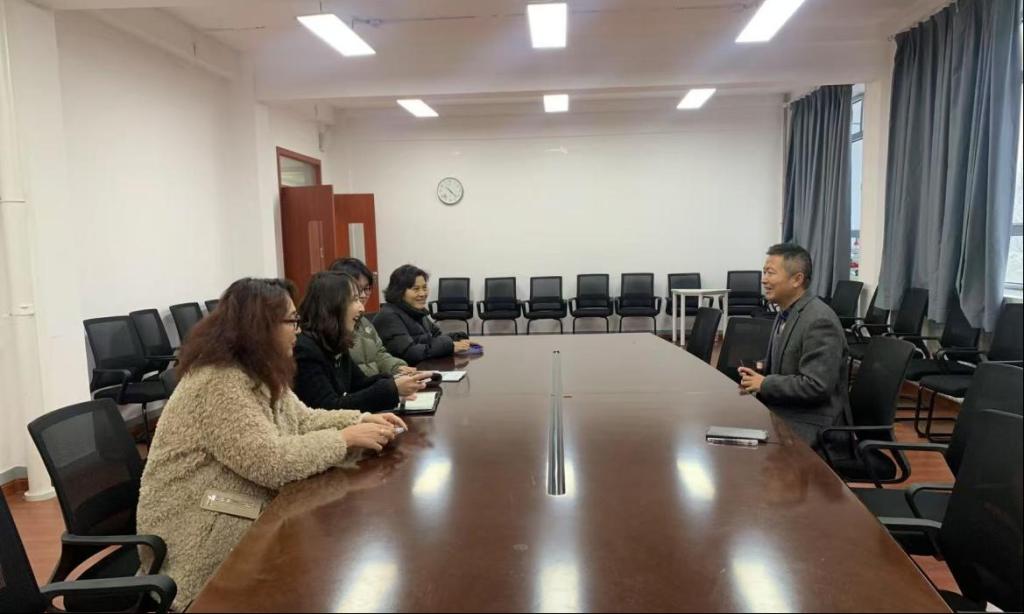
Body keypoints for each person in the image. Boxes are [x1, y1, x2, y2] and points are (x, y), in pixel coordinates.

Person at [136, 278, 406, 610]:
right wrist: (343, 439)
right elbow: (270, 463)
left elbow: (303, 419)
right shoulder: (219, 380)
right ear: (259, 326)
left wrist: (359, 420)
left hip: (234, 504)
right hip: (199, 531)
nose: (298, 329)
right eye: (292, 320)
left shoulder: (259, 369)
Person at [737, 243, 850, 446]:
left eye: (771, 273)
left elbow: (817, 386)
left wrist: (764, 383)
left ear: (797, 279)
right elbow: (786, 360)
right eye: (764, 272)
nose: (764, 279)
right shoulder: (786, 311)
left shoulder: (819, 321)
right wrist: (759, 369)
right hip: (786, 407)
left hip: (812, 421)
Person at [294, 271, 431, 412]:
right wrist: (391, 389)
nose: (362, 308)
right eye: (354, 300)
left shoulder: (335, 342)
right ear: (333, 305)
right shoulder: (306, 350)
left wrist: (397, 380)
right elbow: (329, 408)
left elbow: (359, 383)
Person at [373, 264, 478, 366]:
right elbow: (409, 353)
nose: (422, 294)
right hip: (406, 373)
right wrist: (449, 346)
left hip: (423, 369)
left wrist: (457, 338)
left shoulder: (416, 311)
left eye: (424, 288)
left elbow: (436, 337)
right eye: (416, 289)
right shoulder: (388, 316)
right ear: (399, 292)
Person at [328, 257, 416, 378]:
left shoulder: (364, 322)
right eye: (358, 289)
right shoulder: (331, 326)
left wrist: (397, 367)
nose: (363, 295)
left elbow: (379, 354)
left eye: (367, 288)